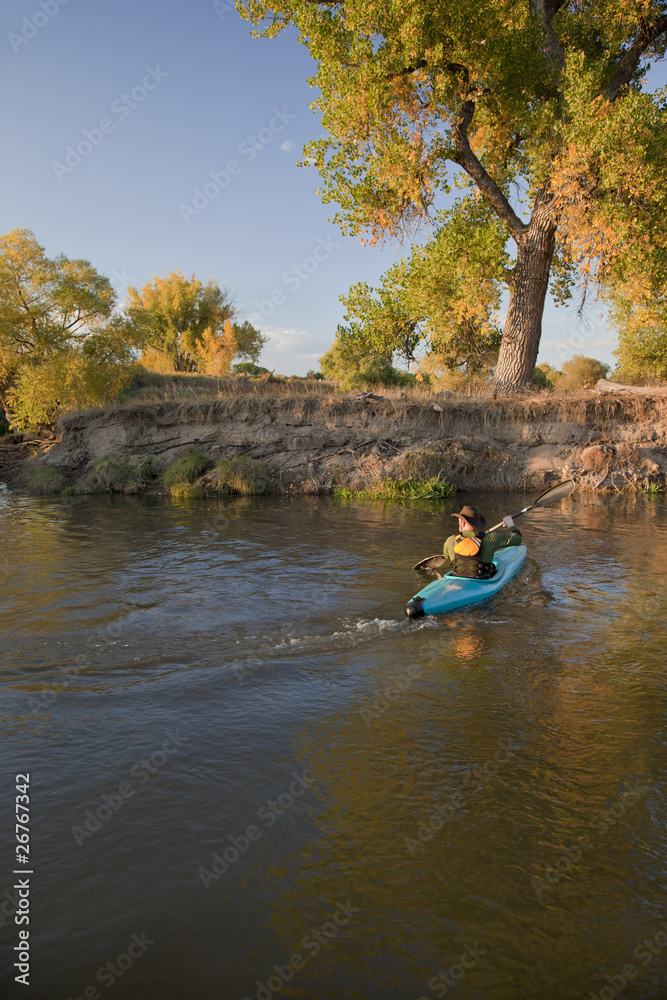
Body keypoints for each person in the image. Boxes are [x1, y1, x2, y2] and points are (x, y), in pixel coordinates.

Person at [443, 504, 522, 579]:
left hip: (456, 580)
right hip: (482, 580)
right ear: (478, 524)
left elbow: (446, 556)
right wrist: (510, 524)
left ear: (462, 523)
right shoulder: (491, 538)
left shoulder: (451, 540)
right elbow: (517, 538)